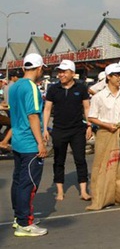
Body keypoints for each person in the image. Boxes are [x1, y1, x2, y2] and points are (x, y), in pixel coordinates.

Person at [86, 63, 120, 210]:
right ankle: (100, 199)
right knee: (102, 166)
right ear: (108, 77)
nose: (119, 78)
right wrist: (107, 125)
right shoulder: (99, 97)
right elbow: (92, 117)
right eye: (116, 75)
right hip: (105, 133)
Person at [10, 53, 48, 237]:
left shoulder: (14, 86)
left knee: (18, 182)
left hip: (18, 141)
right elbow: (33, 115)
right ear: (39, 68)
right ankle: (25, 223)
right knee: (28, 184)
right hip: (29, 143)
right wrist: (41, 142)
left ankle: (19, 217)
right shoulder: (31, 87)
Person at [43, 60, 92, 201]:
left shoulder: (81, 88)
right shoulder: (53, 89)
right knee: (59, 160)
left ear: (72, 73)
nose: (61, 74)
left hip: (77, 130)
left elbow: (87, 108)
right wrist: (45, 128)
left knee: (80, 160)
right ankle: (60, 191)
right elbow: (47, 109)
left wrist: (89, 125)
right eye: (59, 72)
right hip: (59, 130)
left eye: (64, 72)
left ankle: (83, 191)